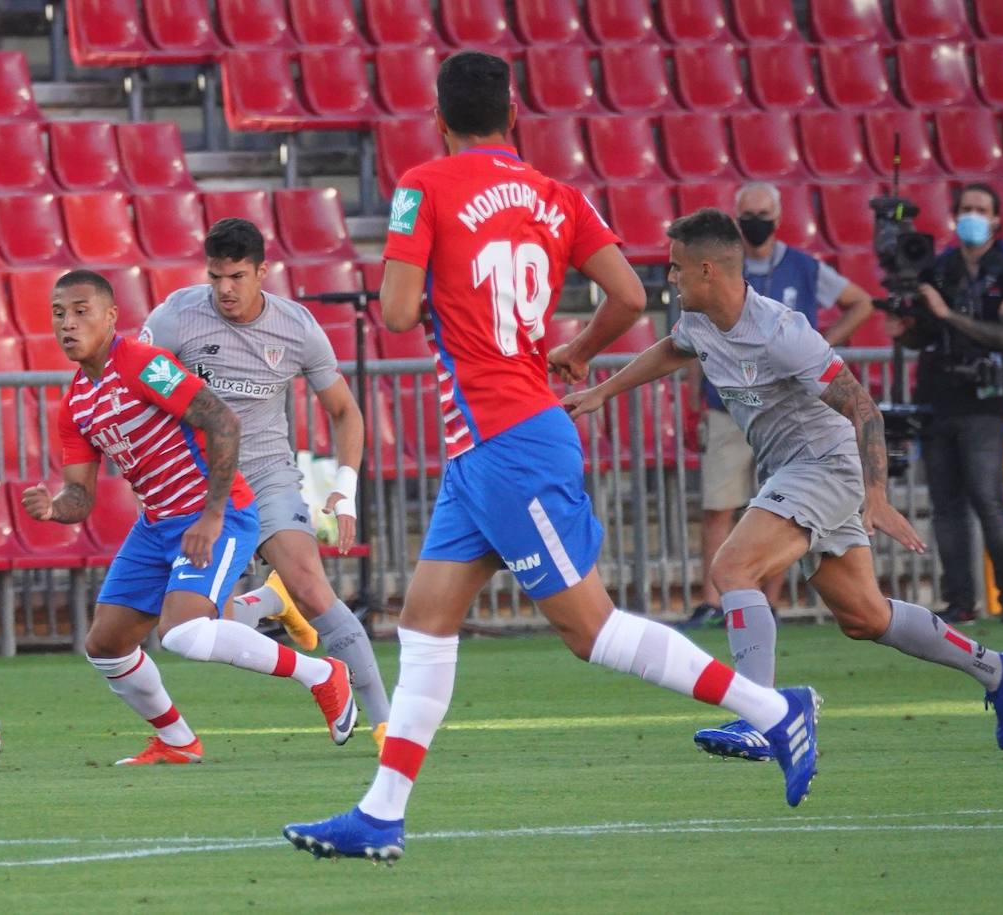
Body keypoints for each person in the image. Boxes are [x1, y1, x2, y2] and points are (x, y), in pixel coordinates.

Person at [282, 52, 820, 865]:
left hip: (507, 442)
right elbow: (633, 297)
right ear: (514, 116)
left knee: (591, 631)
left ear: (438, 116)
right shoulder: (556, 195)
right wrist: (575, 347)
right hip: (491, 447)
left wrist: (433, 275)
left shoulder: (425, 182)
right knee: (424, 621)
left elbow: (395, 312)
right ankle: (382, 812)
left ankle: (775, 711)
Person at [564, 208, 1003, 764]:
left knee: (733, 569)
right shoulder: (698, 321)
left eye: (675, 268)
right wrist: (603, 391)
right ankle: (999, 669)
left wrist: (876, 496)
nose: (669, 278)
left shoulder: (782, 333)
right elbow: (673, 350)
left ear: (708, 270)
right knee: (865, 617)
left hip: (825, 466)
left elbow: (863, 407)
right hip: (791, 470)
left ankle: (763, 716)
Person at [21, 269, 358, 766]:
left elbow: (222, 420)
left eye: (80, 311)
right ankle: (178, 741)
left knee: (182, 633)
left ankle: (323, 675)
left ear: (111, 317)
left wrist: (211, 514)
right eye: (58, 314)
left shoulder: (142, 363)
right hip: (158, 524)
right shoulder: (75, 404)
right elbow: (80, 495)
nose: (67, 324)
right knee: (106, 645)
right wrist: (54, 508)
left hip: (217, 513)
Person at [142, 217, 391, 749]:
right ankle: (269, 604)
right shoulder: (175, 320)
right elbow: (141, 390)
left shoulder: (296, 328)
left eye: (236, 276)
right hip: (200, 487)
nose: (225, 289)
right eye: (216, 278)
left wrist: (343, 488)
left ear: (262, 271)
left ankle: (385, 723)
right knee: (205, 626)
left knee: (309, 581)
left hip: (267, 476)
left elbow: (346, 412)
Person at [683, 181, 875, 629]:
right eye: (747, 213)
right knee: (719, 504)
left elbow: (861, 303)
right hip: (728, 404)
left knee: (781, 506)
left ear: (778, 215)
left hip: (788, 411)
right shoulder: (721, 268)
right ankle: (715, 601)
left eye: (762, 213)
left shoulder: (804, 267)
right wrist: (694, 396)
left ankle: (765, 600)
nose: (755, 222)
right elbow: (690, 340)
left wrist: (820, 349)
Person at [886, 182, 1003, 625]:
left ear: (995, 219)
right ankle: (960, 602)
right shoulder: (941, 266)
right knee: (945, 503)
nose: (972, 215)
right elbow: (928, 334)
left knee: (986, 497)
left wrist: (948, 313)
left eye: (981, 208)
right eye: (966, 208)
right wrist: (905, 328)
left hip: (985, 400)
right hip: (936, 395)